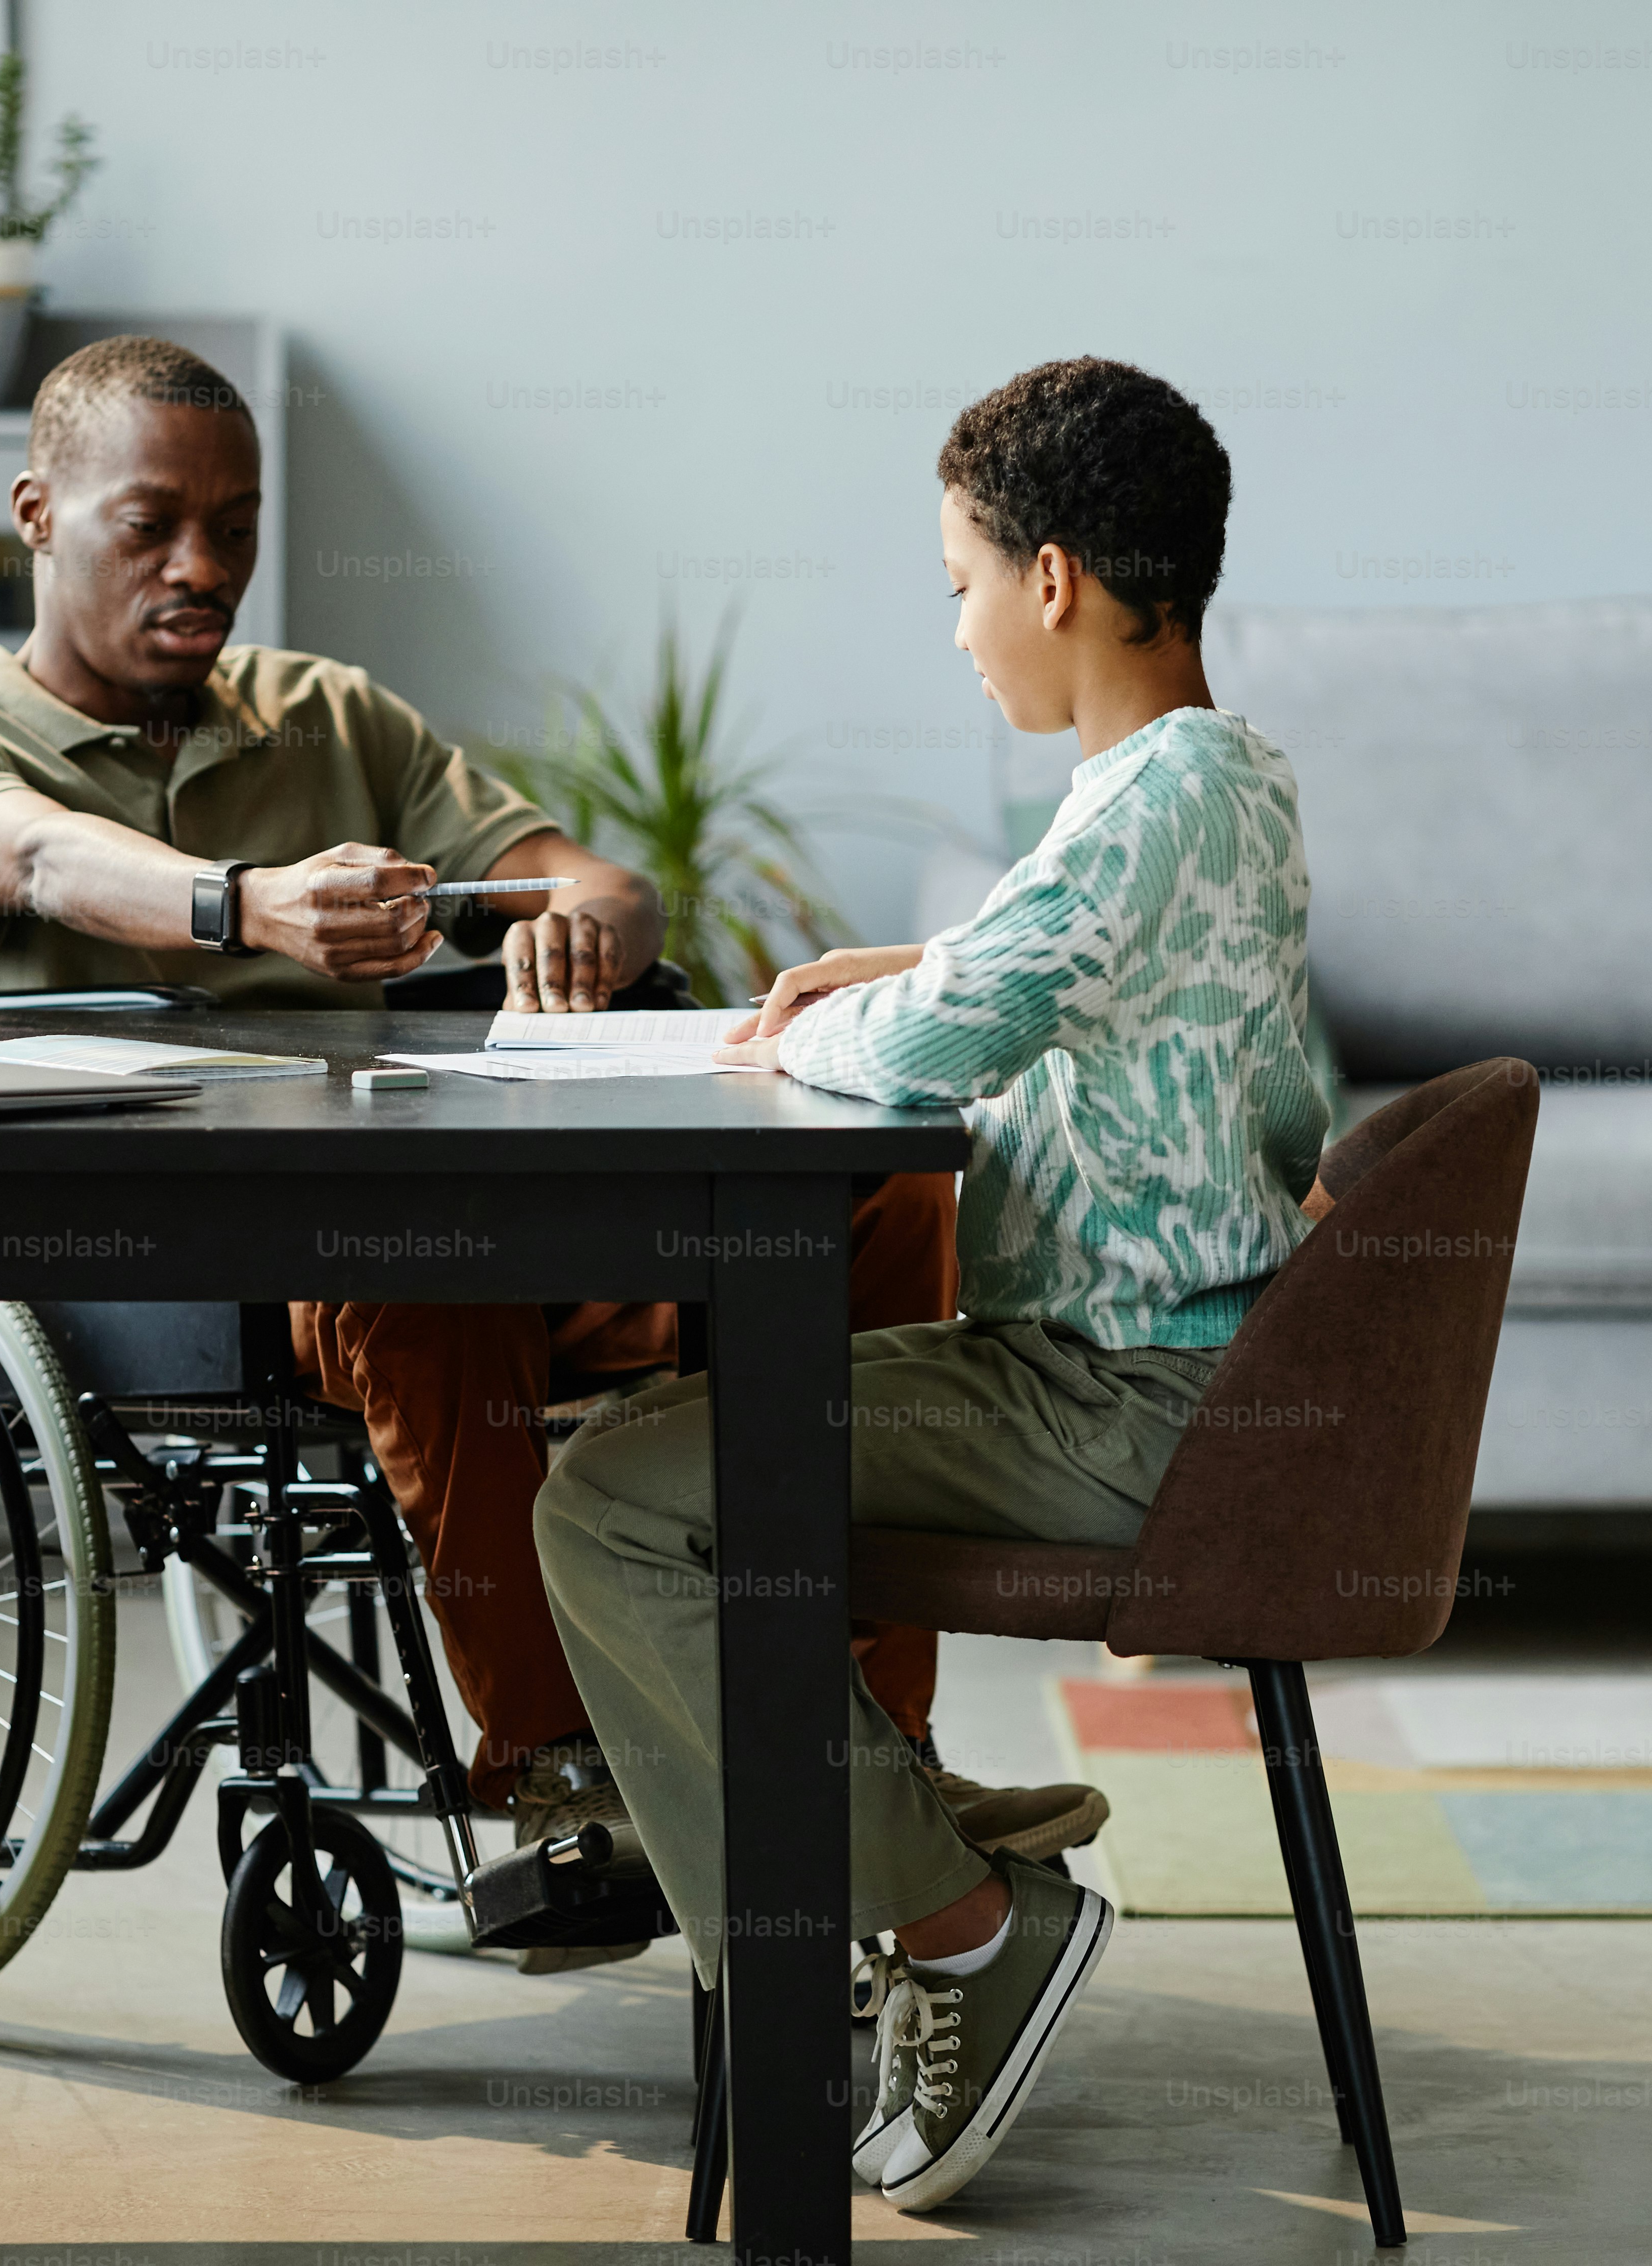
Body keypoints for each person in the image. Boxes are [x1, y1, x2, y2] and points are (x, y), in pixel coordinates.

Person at [0, 337, 1108, 1972]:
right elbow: (37, 859)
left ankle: (875, 1750)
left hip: (435, 1229)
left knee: (869, 1191)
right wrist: (247, 905)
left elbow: (598, 881)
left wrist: (577, 928)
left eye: (234, 525)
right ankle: (565, 1781)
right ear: (35, 513)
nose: (203, 566)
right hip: (154, 1279)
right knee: (418, 1252)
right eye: (152, 524)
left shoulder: (329, 718)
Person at [533, 356, 1332, 2208]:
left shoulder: (1152, 802)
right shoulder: (1214, 781)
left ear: (1054, 579)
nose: (962, 630)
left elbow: (927, 1052)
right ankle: (890, 1855)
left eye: (965, 582)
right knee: (661, 1452)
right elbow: (1058, 964)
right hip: (1149, 1379)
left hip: (1124, 1399)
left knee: (610, 1499)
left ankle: (962, 1926)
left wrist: (821, 1024)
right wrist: (898, 963)